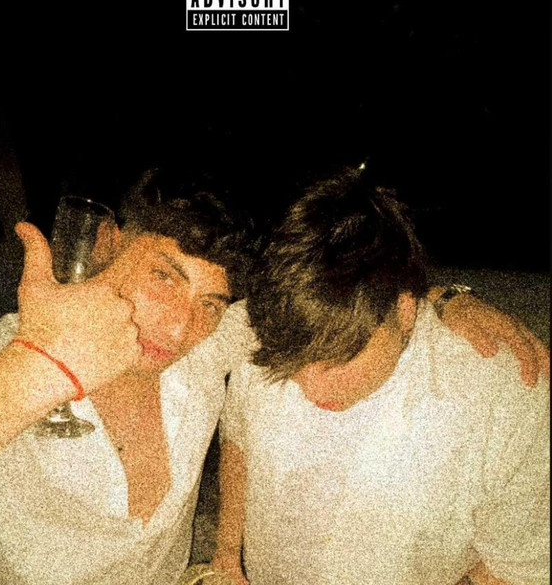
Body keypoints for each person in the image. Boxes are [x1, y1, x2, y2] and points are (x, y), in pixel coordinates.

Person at [0, 167, 547, 585]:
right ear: (105, 241)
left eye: (211, 303)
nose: (179, 326)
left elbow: (338, 302)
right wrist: (39, 367)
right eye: (164, 277)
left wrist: (445, 297)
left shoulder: (209, 344)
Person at [212, 169, 549, 585]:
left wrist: (449, 297)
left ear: (404, 311)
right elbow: (239, 435)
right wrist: (226, 554)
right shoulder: (270, 325)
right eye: (294, 366)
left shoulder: (502, 397)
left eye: (339, 360)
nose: (311, 388)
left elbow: (515, 569)